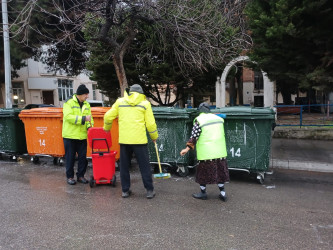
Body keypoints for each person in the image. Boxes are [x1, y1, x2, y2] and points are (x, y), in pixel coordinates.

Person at [103, 84, 158, 199]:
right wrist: (154, 136)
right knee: (144, 166)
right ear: (141, 93)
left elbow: (108, 116)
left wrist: (107, 128)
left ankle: (125, 190)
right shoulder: (145, 104)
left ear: (130, 92)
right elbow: (151, 123)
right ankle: (149, 190)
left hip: (124, 140)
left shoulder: (120, 102)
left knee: (124, 166)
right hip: (140, 141)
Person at [180, 102, 229, 201]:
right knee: (220, 174)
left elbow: (194, 137)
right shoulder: (219, 119)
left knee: (202, 175)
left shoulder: (200, 120)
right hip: (220, 152)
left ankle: (203, 193)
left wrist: (187, 149)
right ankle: (223, 194)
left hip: (207, 154)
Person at [62, 84, 93, 185]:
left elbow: (89, 118)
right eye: (86, 94)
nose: (87, 96)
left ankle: (80, 176)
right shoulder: (69, 102)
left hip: (82, 136)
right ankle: (70, 177)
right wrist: (83, 119)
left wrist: (89, 126)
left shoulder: (86, 104)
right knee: (70, 158)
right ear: (80, 94)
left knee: (82, 158)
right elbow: (68, 117)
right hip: (70, 136)